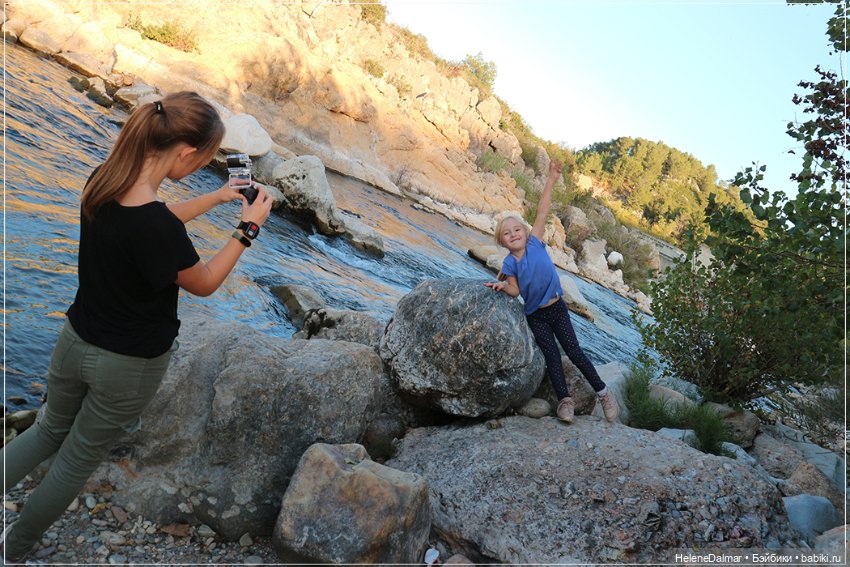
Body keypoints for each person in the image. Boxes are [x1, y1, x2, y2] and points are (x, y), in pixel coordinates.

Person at [1, 91, 273, 562]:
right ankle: (14, 548)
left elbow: (155, 221)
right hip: (125, 366)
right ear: (186, 152)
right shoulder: (156, 229)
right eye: (204, 162)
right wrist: (247, 228)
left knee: (47, 431)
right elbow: (204, 282)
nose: (201, 168)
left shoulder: (103, 181)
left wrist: (218, 197)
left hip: (74, 341)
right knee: (75, 460)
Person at [485, 159, 619, 424]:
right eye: (507, 233)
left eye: (516, 229)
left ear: (525, 232)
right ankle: (565, 402)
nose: (513, 234)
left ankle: (604, 394)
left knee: (575, 352)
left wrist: (550, 180)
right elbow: (514, 290)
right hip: (536, 316)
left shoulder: (535, 242)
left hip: (557, 309)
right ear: (502, 241)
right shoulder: (510, 262)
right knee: (552, 358)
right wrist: (502, 286)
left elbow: (543, 211)